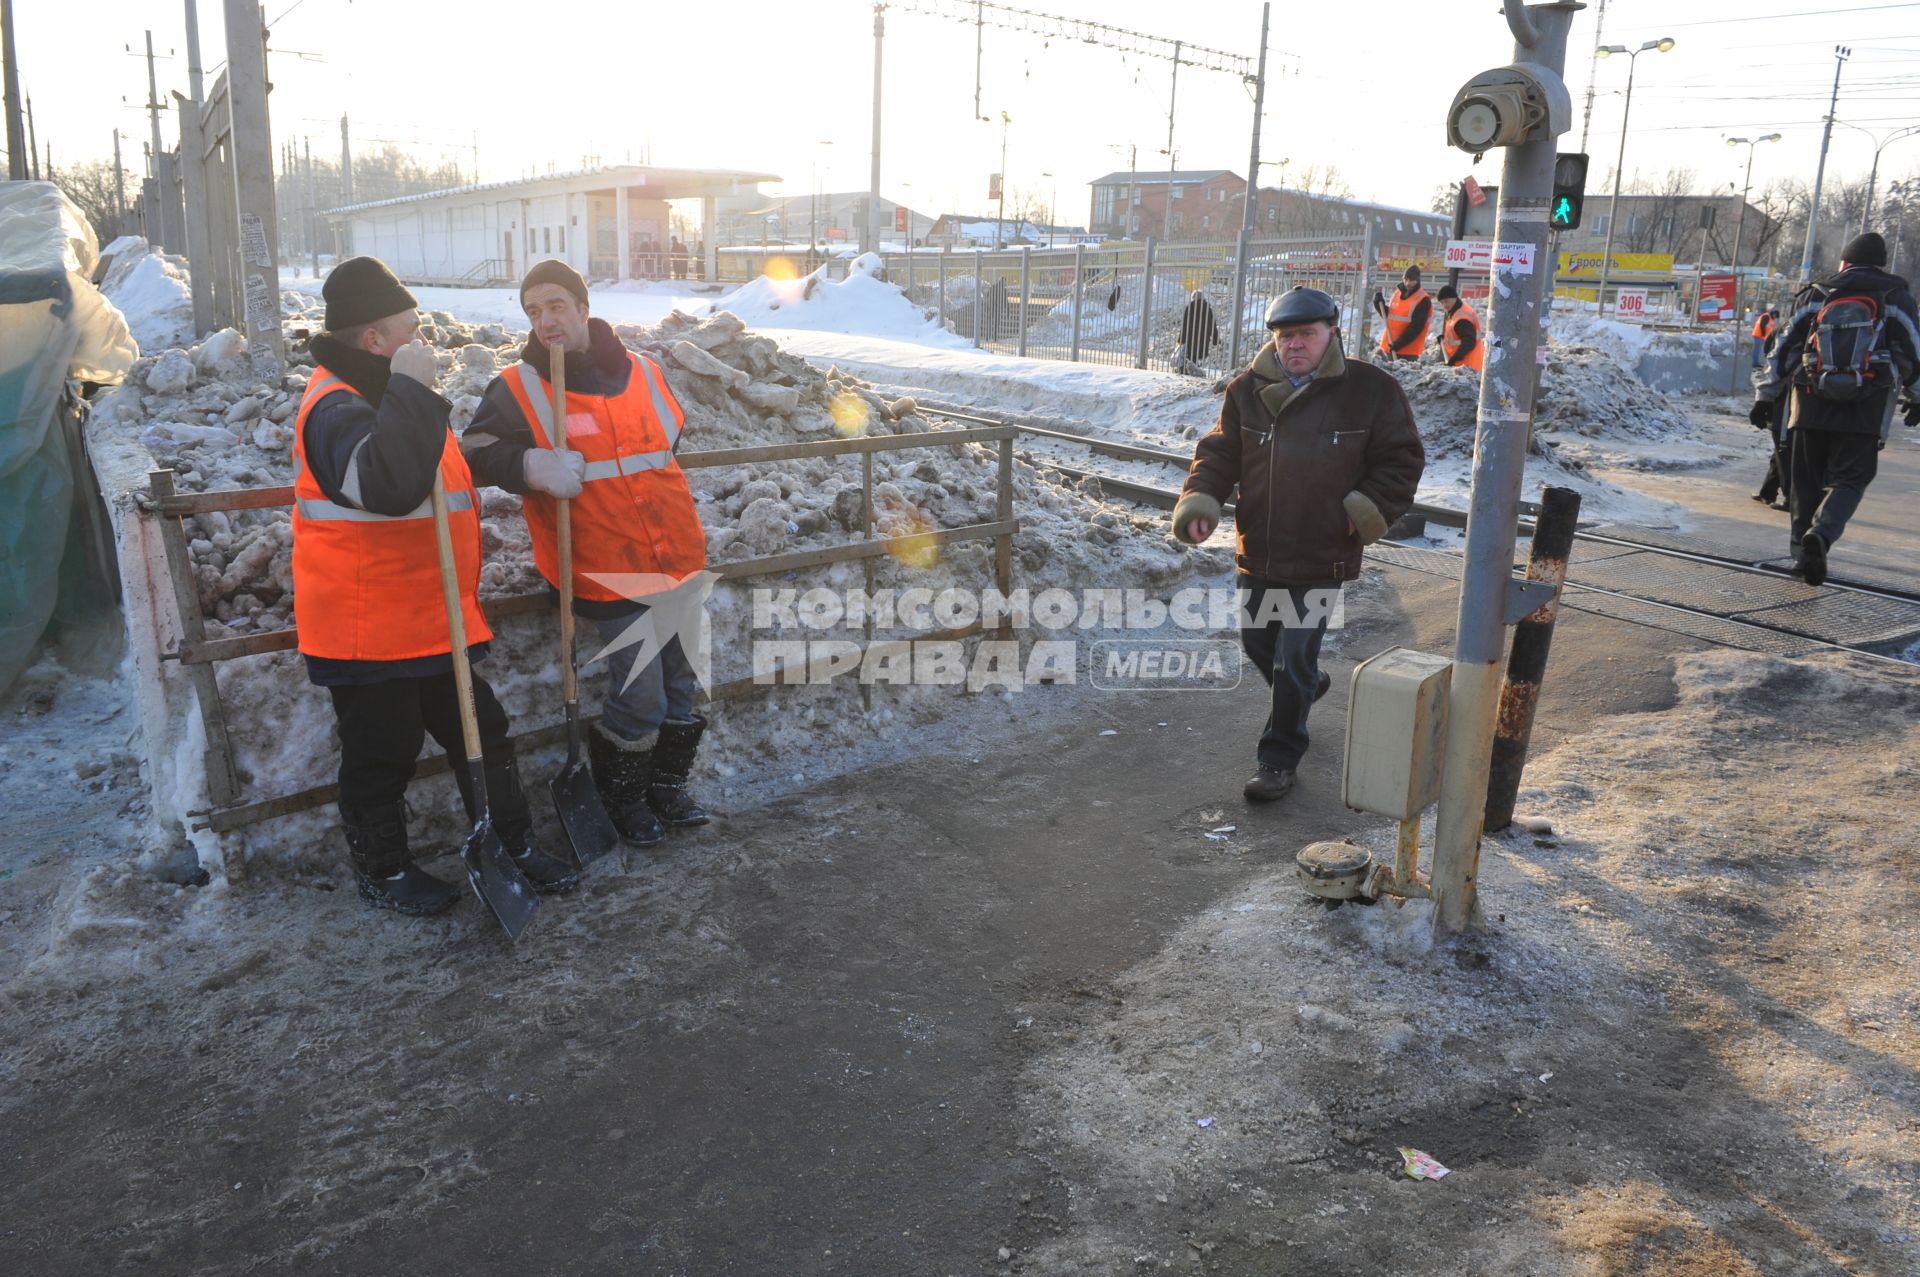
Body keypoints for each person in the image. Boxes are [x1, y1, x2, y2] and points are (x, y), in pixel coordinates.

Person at [294, 257, 579, 915]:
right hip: (368, 628)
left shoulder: (386, 395)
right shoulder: (335, 407)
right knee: (382, 753)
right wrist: (416, 394)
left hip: (429, 616)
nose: (423, 340)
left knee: (485, 727)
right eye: (410, 328)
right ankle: (384, 870)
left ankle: (512, 842)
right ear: (374, 340)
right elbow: (389, 486)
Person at [462, 260, 715, 848]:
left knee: (682, 683)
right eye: (532, 311)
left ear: (582, 307)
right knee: (642, 691)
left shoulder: (645, 372)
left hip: (675, 554)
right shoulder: (519, 384)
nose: (544, 320)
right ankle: (623, 800)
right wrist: (528, 465)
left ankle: (667, 789)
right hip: (602, 570)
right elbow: (475, 452)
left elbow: (665, 440)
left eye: (554, 306)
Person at [1171, 287, 1426, 802]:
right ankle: (1309, 685)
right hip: (1260, 545)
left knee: (1291, 660)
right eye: (1286, 336)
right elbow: (1220, 454)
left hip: (1322, 550)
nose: (1294, 345)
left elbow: (1401, 461)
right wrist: (1200, 500)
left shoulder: (1369, 391)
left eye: (1306, 334)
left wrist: (1358, 515)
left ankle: (1278, 759)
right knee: (1258, 644)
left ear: (1331, 332)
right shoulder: (1247, 389)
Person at [1751, 232, 1920, 584]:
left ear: (1844, 262)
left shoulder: (1818, 293)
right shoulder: (1895, 297)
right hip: (1866, 406)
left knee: (1804, 484)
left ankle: (1801, 556)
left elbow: (1783, 349)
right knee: (1852, 478)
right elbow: (1914, 354)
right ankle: (1822, 534)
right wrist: (1917, 396)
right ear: (1880, 264)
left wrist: (1765, 397)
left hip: (1810, 402)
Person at [1377, 265, 1433, 361]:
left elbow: (1416, 327)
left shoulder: (1423, 300)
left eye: (1412, 280)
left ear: (1418, 280)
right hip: (1389, 347)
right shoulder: (1397, 293)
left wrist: (1399, 343)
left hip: (1408, 353)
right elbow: (1390, 317)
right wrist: (1378, 305)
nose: (1408, 283)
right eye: (1405, 279)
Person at [1435, 284, 1483, 372]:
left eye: (1446, 301)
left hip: (1468, 365)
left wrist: (1454, 359)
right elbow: (1456, 335)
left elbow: (1469, 342)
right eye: (1442, 303)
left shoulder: (1462, 318)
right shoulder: (1455, 310)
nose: (1444, 305)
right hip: (1462, 365)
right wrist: (1444, 339)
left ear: (1454, 298)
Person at [1175, 290, 1221, 376]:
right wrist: (1215, 338)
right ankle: (1193, 370)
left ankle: (1186, 371)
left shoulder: (1189, 308)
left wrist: (1181, 338)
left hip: (1190, 338)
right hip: (1203, 338)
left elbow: (1185, 325)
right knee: (1196, 355)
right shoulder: (1207, 309)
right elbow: (1212, 325)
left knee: (1189, 354)